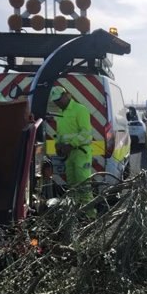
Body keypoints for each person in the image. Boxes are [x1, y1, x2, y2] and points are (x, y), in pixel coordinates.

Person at [49, 86, 95, 217]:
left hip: (80, 152)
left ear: (66, 96)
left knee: (83, 186)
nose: (57, 103)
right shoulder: (61, 112)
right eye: (55, 101)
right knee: (72, 186)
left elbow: (86, 133)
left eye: (58, 100)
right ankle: (75, 215)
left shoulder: (80, 110)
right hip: (68, 155)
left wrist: (70, 145)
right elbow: (60, 133)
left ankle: (90, 217)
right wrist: (58, 145)